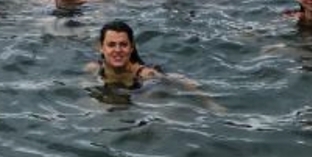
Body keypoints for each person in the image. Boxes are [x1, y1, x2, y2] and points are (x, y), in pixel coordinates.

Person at [85, 20, 222, 110]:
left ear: (131, 48)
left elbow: (179, 79)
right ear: (101, 48)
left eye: (123, 44)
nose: (118, 50)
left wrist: (209, 102)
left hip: (139, 97)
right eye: (111, 45)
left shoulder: (146, 74)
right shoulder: (93, 68)